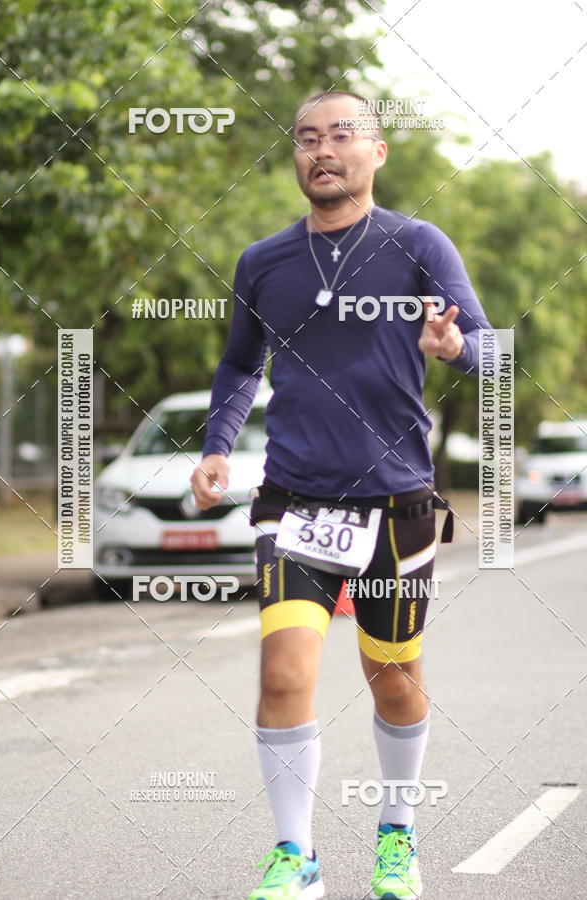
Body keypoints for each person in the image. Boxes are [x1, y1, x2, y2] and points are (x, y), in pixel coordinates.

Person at [191, 90, 492, 900]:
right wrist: (218, 449)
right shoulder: (265, 261)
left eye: (342, 135)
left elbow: (491, 350)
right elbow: (238, 365)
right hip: (293, 501)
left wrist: (456, 344)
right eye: (306, 139)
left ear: (377, 151)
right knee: (284, 673)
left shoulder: (418, 244)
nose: (322, 150)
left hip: (397, 504)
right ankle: (297, 857)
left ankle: (397, 832)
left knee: (393, 675)